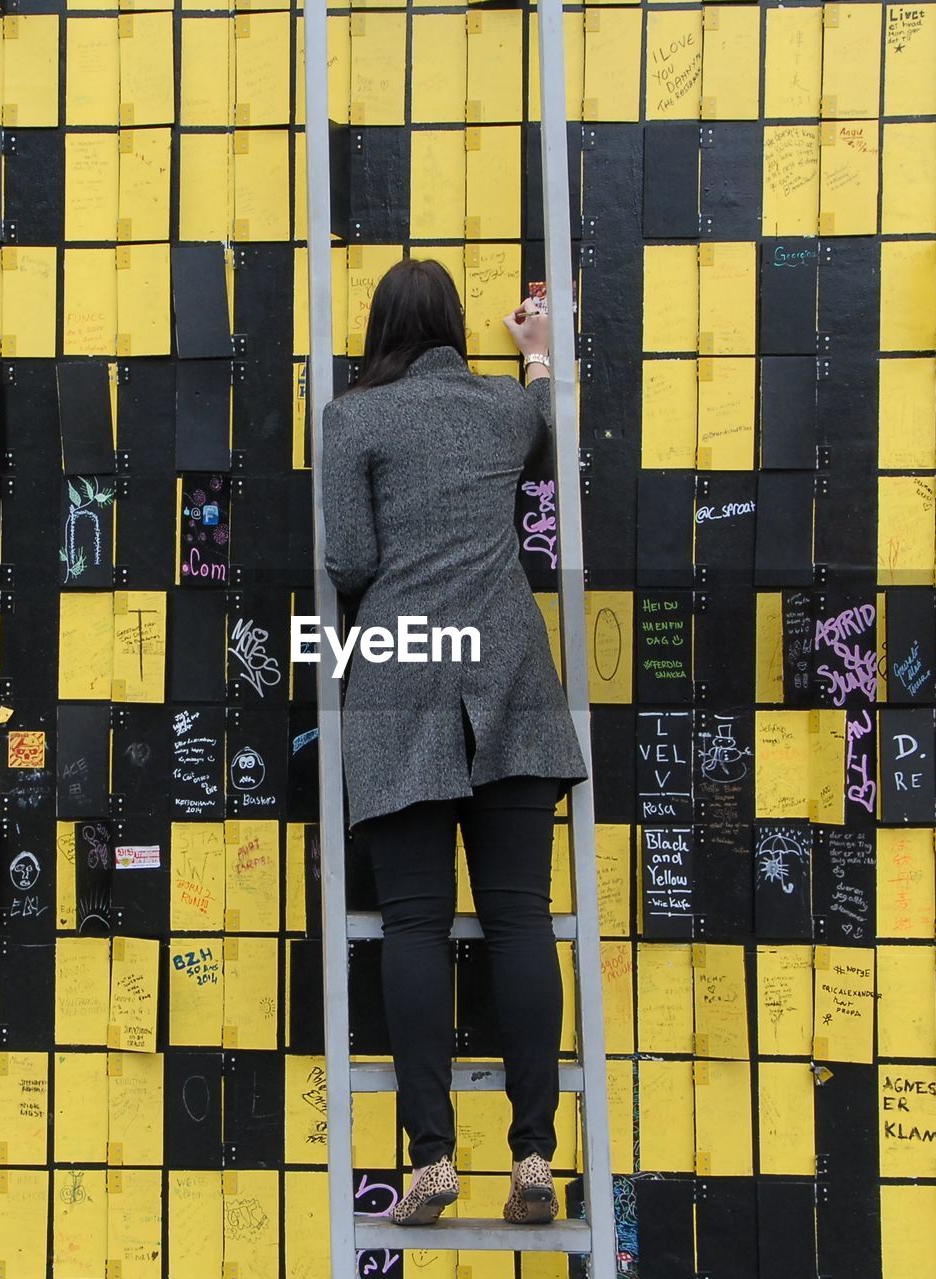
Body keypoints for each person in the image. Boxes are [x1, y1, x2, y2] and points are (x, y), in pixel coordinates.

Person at [318, 257, 590, 1227]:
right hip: (511, 679)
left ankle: (430, 1160)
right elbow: (553, 441)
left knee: (413, 924)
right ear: (451, 327)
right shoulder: (500, 411)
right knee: (519, 916)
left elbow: (346, 559)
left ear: (379, 327)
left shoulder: (351, 417)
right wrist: (538, 358)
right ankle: (531, 1155)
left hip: (402, 682)